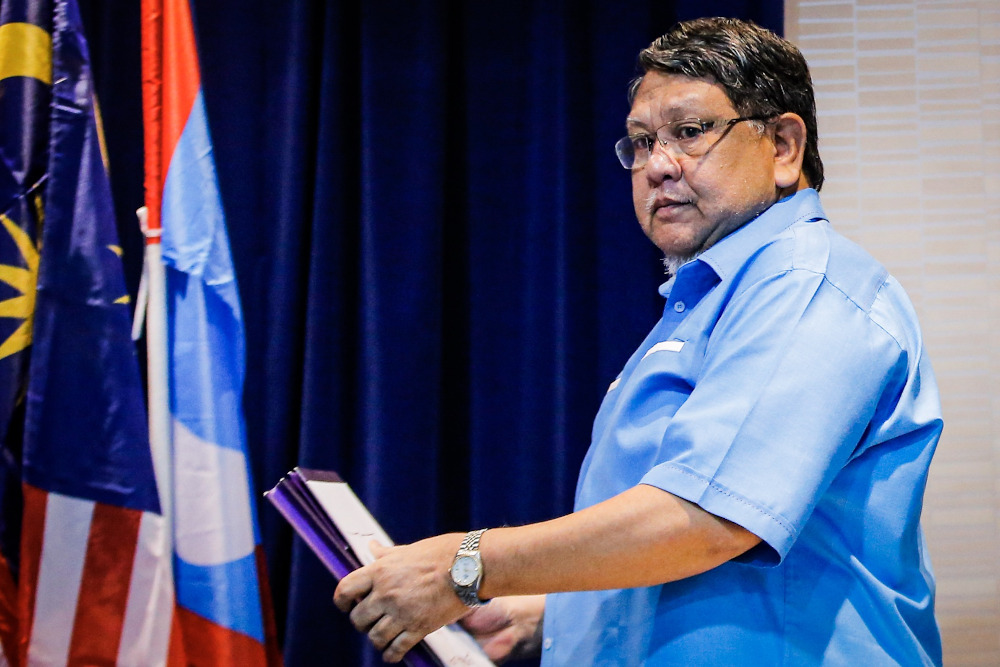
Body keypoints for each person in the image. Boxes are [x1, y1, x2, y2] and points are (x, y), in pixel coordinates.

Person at [334, 17, 943, 666]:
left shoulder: (807, 287)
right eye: (641, 141)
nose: (658, 165)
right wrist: (550, 612)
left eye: (689, 132)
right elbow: (704, 560)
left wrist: (464, 565)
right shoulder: (706, 304)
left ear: (784, 146)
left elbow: (706, 521)